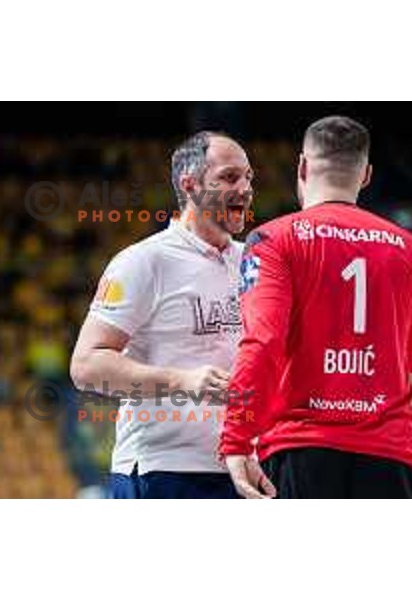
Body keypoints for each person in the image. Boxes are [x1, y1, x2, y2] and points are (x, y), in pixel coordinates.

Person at [221, 116, 412, 499]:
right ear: (366, 174)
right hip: (393, 460)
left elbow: (263, 343)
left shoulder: (273, 239)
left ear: (303, 166)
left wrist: (236, 439)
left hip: (301, 454)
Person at [70, 131, 254, 498]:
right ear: (190, 185)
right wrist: (180, 382)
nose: (246, 189)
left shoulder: (253, 260)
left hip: (242, 468)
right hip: (163, 468)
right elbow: (86, 367)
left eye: (250, 178)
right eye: (230, 177)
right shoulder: (144, 261)